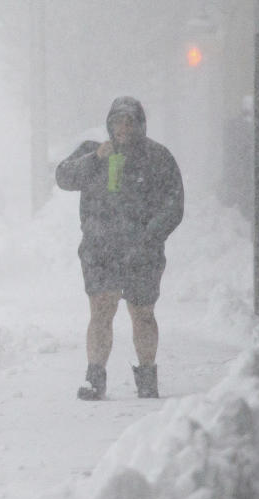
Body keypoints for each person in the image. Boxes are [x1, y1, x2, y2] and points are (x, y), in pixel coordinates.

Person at [55, 96, 184, 400]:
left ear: (141, 125)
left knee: (143, 314)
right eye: (117, 122)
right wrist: (95, 158)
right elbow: (63, 176)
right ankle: (94, 378)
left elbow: (174, 205)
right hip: (100, 249)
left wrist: (149, 236)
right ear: (109, 124)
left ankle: (148, 376)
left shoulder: (157, 157)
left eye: (130, 122)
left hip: (143, 252)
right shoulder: (94, 152)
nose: (123, 128)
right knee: (101, 311)